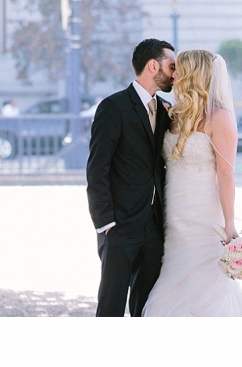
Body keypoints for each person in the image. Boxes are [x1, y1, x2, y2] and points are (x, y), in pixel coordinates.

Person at [142, 49, 242, 317]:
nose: (173, 73)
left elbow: (226, 174)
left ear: (192, 74)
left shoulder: (219, 118)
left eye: (178, 69)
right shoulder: (174, 114)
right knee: (170, 279)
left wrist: (230, 224)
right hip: (173, 213)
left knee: (206, 286)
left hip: (203, 215)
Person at [86, 38, 176, 317]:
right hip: (119, 227)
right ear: (153, 66)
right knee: (111, 307)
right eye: (172, 66)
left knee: (146, 308)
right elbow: (97, 169)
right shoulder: (113, 107)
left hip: (153, 227)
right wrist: (106, 223)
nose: (176, 73)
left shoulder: (164, 111)